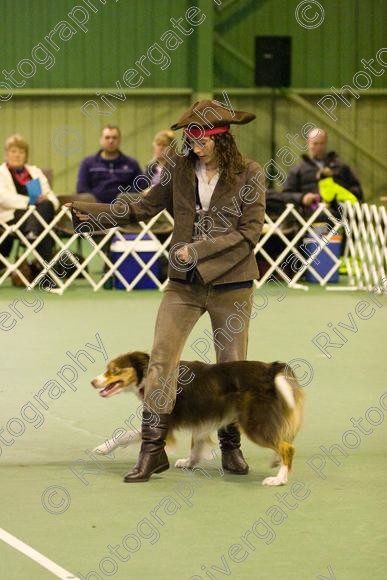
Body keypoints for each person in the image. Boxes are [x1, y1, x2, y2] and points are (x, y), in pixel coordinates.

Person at [69, 100, 266, 483]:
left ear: (220, 137)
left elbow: (249, 231)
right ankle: (152, 451)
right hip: (184, 285)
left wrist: (198, 249)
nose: (192, 143)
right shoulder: (177, 167)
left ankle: (230, 448)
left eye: (199, 136)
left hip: (233, 284)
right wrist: (94, 213)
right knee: (161, 361)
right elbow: (143, 208)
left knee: (230, 366)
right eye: (188, 136)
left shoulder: (250, 173)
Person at [0, 134, 59, 265]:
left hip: (37, 215)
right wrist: (30, 201)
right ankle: (51, 275)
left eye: (21, 152)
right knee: (44, 227)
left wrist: (46, 200)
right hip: (11, 217)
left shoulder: (35, 172)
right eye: (13, 151)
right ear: (6, 154)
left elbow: (51, 196)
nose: (17, 155)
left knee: (47, 204)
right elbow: (3, 198)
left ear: (26, 155)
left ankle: (32, 231)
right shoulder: (1, 173)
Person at [281, 127, 364, 213]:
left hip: (339, 215)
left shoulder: (341, 167)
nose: (319, 148)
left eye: (322, 143)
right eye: (315, 144)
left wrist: (342, 198)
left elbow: (357, 192)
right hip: (308, 217)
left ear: (326, 143)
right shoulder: (297, 170)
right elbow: (286, 195)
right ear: (308, 143)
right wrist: (302, 198)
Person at [76, 125, 143, 204]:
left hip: (124, 209)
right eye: (107, 137)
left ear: (120, 140)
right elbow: (81, 188)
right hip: (95, 209)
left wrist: (125, 201)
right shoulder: (88, 163)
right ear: (101, 140)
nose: (111, 141)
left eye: (114, 138)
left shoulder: (132, 164)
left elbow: (140, 186)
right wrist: (96, 204)